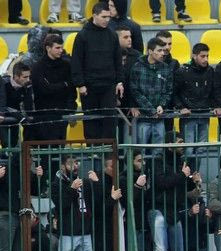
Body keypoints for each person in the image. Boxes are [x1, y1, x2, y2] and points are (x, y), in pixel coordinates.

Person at [49, 155, 99, 251]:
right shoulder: (57, 184)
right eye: (71, 163)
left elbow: (96, 202)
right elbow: (61, 205)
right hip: (68, 233)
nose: (76, 166)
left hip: (85, 231)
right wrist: (71, 189)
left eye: (77, 162)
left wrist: (97, 183)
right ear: (63, 166)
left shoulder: (84, 182)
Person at [71, 2, 123, 140]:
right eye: (103, 17)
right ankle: (93, 150)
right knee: (91, 123)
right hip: (89, 87)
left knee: (109, 122)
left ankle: (109, 149)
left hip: (108, 86)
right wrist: (80, 84)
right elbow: (76, 61)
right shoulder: (82, 36)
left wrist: (119, 81)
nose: (107, 20)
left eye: (108, 17)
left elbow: (117, 60)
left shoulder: (112, 35)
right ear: (94, 15)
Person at [0, 155, 42, 251]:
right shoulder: (6, 168)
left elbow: (36, 191)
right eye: (29, 158)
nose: (31, 161)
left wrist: (39, 177)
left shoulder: (26, 173)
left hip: (20, 215)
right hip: (6, 213)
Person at [130, 37, 173, 158]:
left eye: (163, 51)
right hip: (143, 117)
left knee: (159, 153)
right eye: (159, 50)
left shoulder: (166, 68)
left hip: (159, 118)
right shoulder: (137, 67)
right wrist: (151, 109)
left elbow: (168, 91)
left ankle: (156, 171)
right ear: (150, 51)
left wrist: (161, 105)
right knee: (141, 152)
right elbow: (135, 91)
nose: (162, 53)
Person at [31, 34, 77, 142]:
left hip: (63, 113)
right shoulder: (38, 67)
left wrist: (70, 110)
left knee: (60, 146)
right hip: (44, 115)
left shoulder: (66, 66)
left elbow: (71, 90)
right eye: (57, 48)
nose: (61, 50)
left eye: (62, 47)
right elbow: (44, 90)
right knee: (46, 147)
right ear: (48, 48)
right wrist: (63, 85)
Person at [174, 43, 214, 163]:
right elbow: (174, 92)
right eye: (202, 56)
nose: (205, 59)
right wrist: (181, 107)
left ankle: (195, 173)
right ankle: (186, 173)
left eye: (207, 56)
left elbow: (214, 90)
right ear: (194, 56)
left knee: (201, 149)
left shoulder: (210, 71)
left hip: (204, 114)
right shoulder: (182, 71)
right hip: (189, 116)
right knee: (189, 149)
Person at [1, 62, 34, 147]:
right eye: (25, 77)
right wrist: (20, 117)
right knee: (6, 144)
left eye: (29, 76)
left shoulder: (27, 86)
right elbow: (4, 105)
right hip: (3, 119)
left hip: (15, 120)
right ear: (16, 76)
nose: (28, 79)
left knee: (14, 143)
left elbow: (28, 105)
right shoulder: (4, 84)